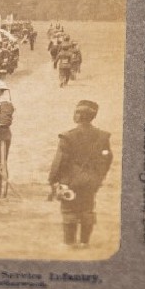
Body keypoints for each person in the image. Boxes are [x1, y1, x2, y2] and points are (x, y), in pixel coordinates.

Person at [48, 100, 114, 249]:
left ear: (79, 116)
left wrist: (53, 180)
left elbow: (59, 162)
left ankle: (69, 243)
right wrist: (99, 177)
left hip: (70, 181)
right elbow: (107, 158)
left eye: (77, 112)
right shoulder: (103, 136)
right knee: (87, 209)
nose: (75, 115)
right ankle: (85, 242)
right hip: (91, 181)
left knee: (69, 210)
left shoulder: (68, 136)